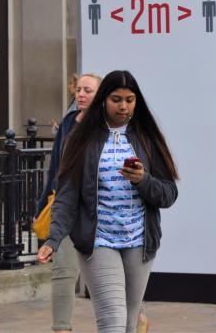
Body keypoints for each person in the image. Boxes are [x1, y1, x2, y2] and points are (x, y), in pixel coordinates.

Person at [37, 70, 178, 333]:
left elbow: (168, 194)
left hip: (140, 241)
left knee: (129, 322)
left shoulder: (147, 138)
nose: (123, 106)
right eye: (116, 99)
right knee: (111, 320)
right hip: (97, 240)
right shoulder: (80, 139)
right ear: (103, 100)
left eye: (129, 99)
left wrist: (142, 180)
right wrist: (53, 239)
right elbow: (66, 195)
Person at [36, 72, 101, 333]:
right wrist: (42, 204)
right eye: (79, 90)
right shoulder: (68, 123)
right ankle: (61, 328)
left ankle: (132, 316)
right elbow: (54, 167)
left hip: (96, 208)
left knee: (104, 275)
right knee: (63, 270)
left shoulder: (104, 127)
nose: (81, 95)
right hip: (64, 205)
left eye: (88, 91)